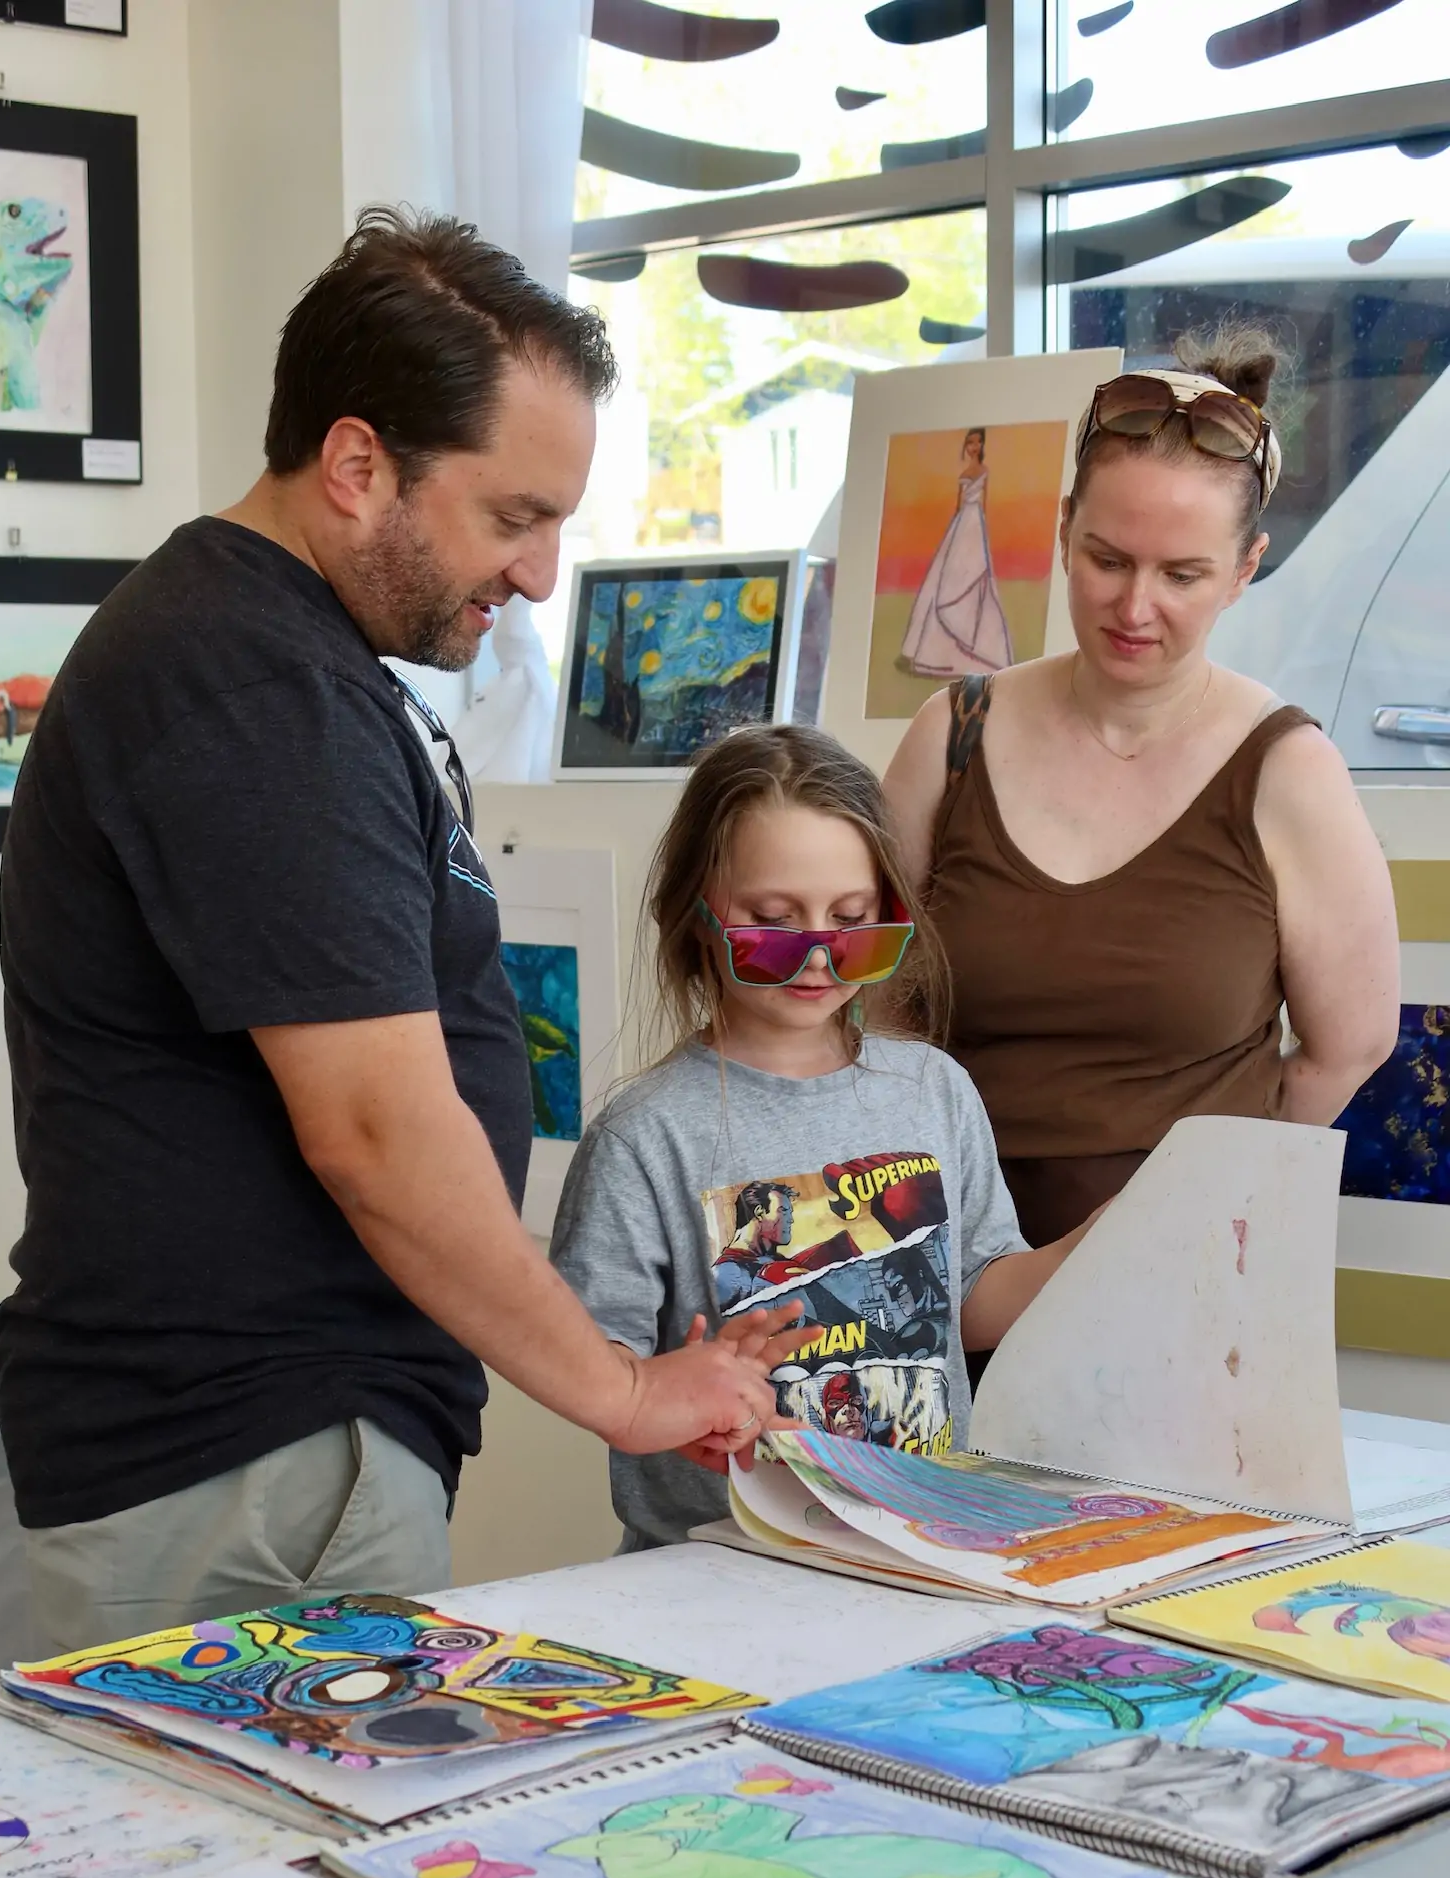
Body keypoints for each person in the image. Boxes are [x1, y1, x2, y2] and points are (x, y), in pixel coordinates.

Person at [0, 208, 796, 1653]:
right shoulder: (252, 688)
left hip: (279, 1449)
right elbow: (372, 1130)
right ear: (359, 466)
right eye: (514, 518)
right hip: (248, 1458)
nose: (543, 575)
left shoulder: (292, 666)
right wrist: (620, 1393)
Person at [883, 326, 1401, 1249]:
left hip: (1186, 1273)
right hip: (946, 1252)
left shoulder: (1288, 771)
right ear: (1063, 530)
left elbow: (1350, 1044)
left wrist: (1218, 1195)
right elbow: (873, 999)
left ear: (1246, 569)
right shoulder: (951, 736)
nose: (1134, 608)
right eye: (1108, 559)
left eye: (1183, 574)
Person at [550, 725, 1099, 1551]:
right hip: (711, 1568)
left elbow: (973, 1302)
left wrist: (1107, 1239)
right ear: (696, 918)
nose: (817, 955)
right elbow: (590, 1368)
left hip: (919, 1542)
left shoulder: (932, 1091)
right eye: (774, 921)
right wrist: (683, 1393)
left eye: (851, 921)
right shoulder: (646, 1135)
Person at [899, 426, 1013, 678]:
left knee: (975, 576)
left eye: (977, 442)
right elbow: (958, 503)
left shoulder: (984, 472)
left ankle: (979, 649)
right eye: (970, 442)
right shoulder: (964, 473)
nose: (973, 447)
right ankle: (938, 652)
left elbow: (984, 503)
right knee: (949, 577)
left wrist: (982, 532)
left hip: (976, 524)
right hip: (961, 524)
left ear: (982, 446)